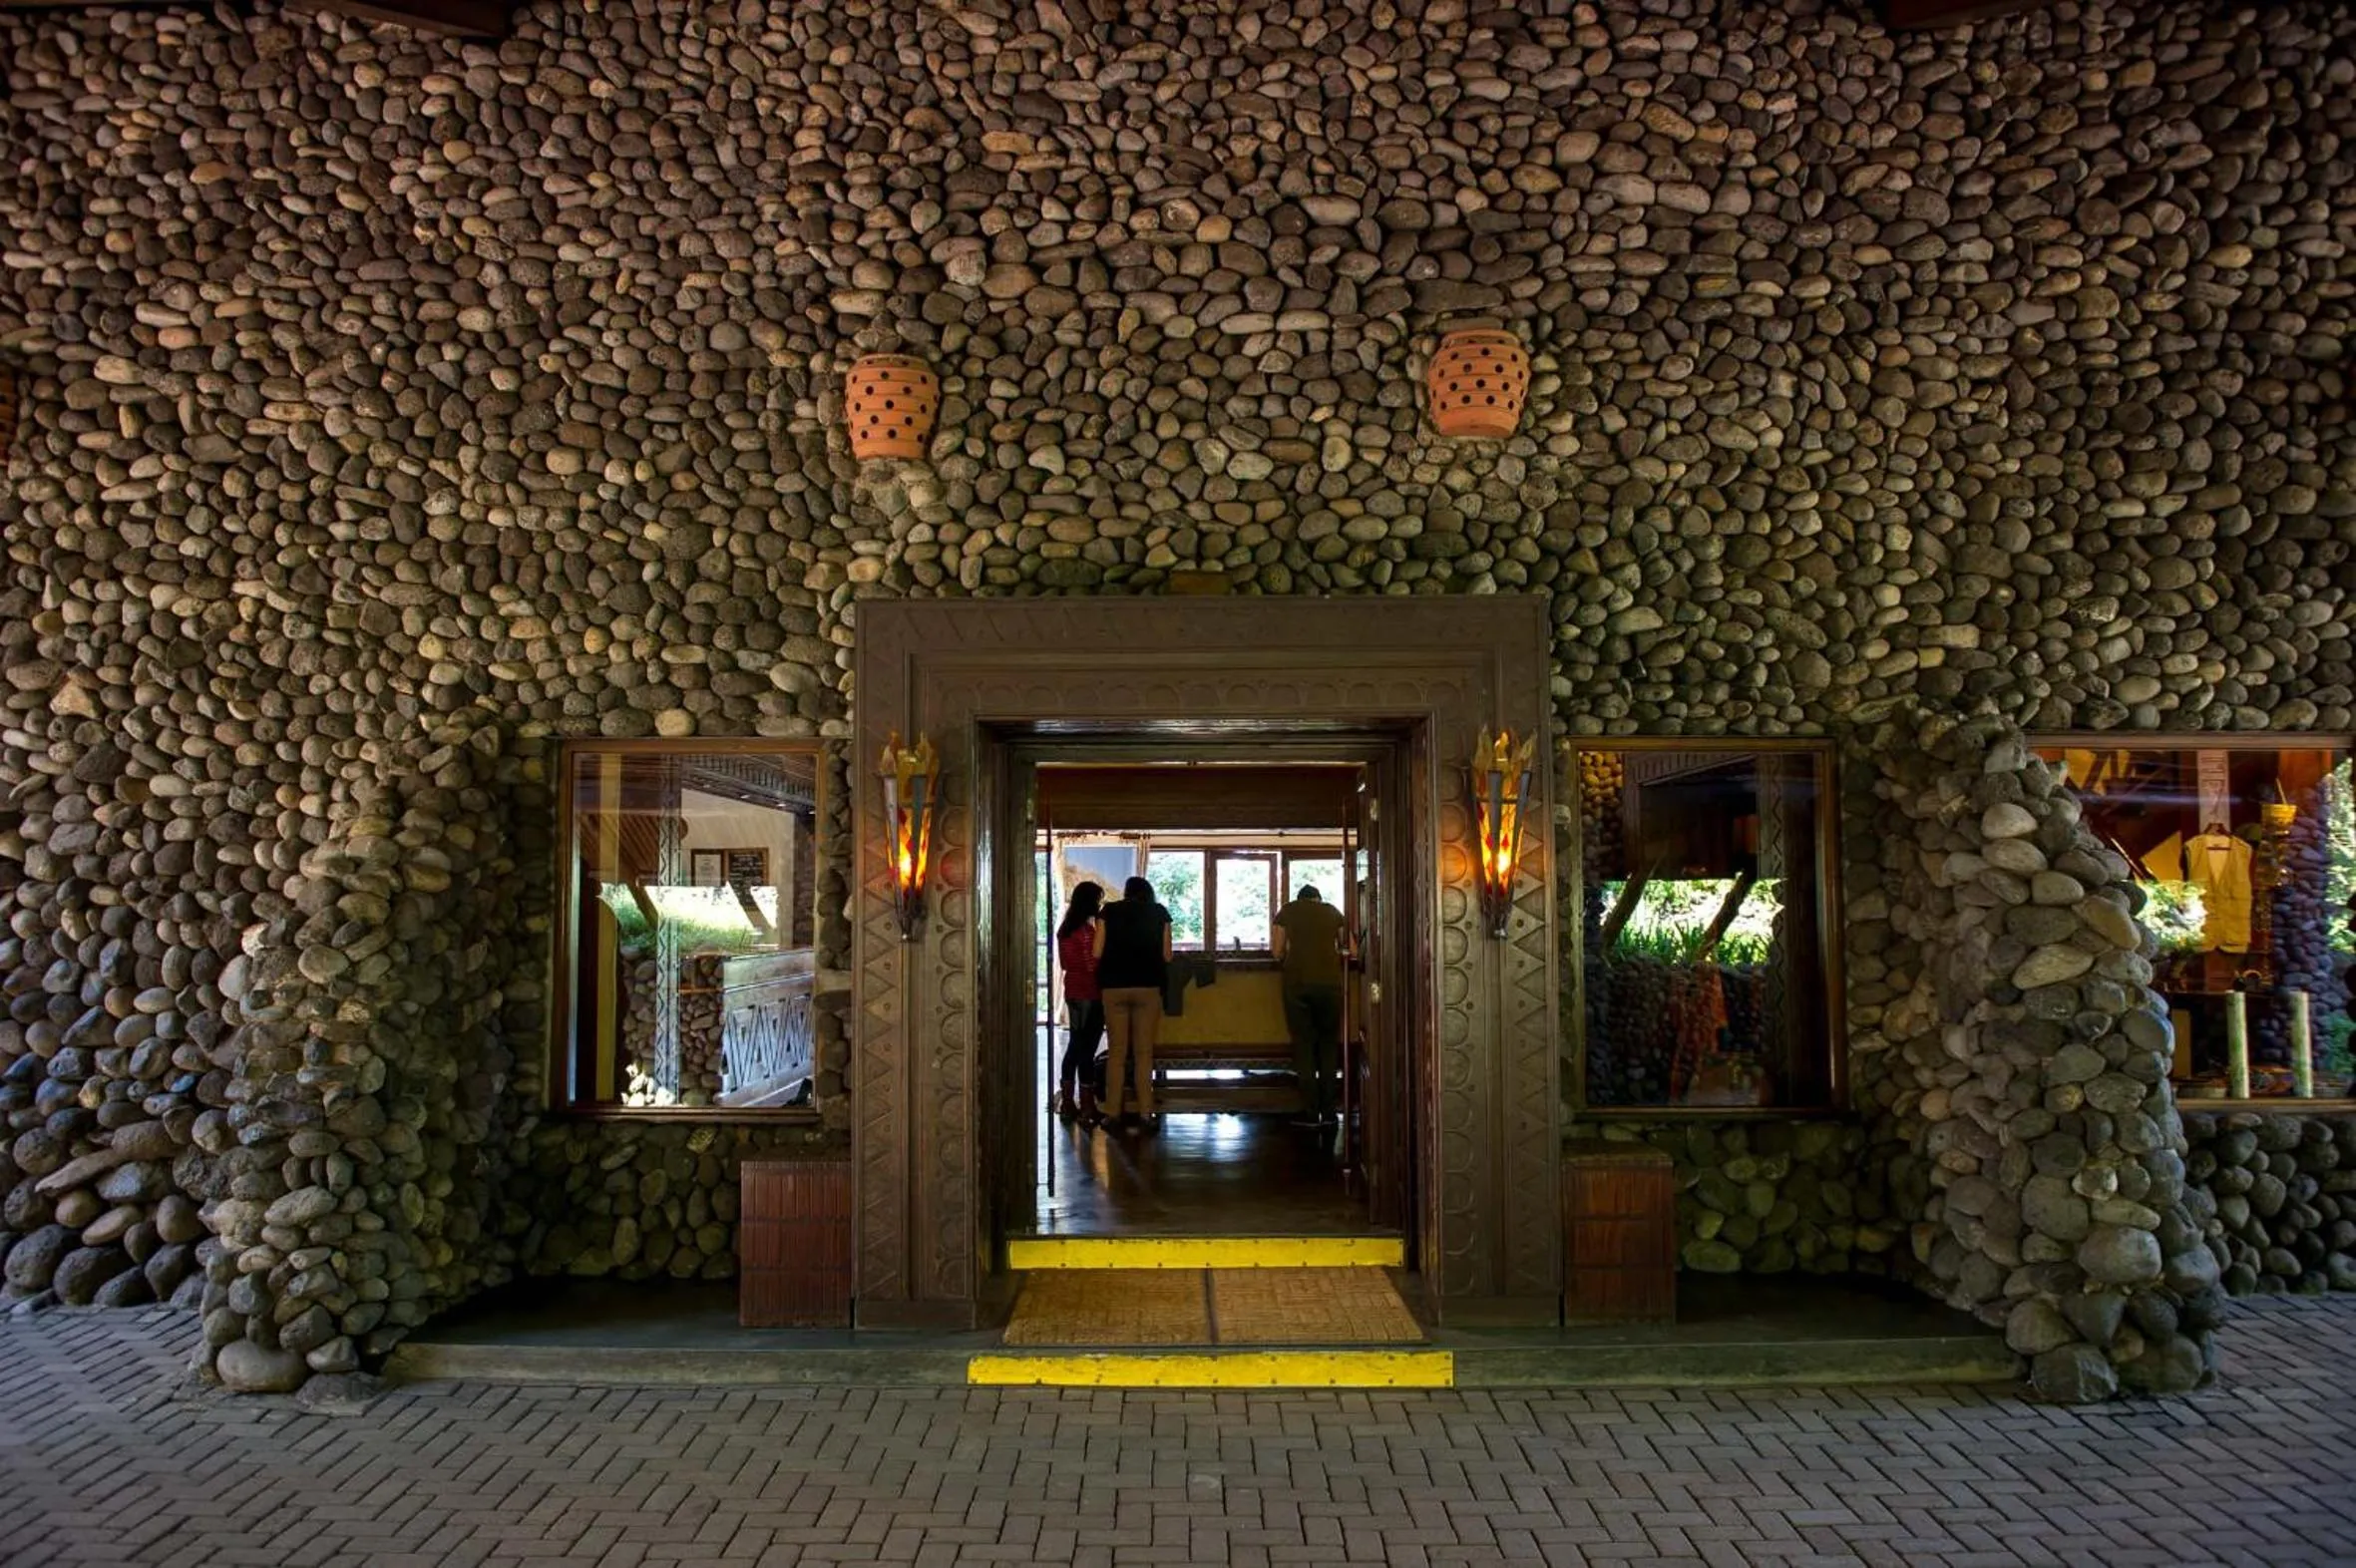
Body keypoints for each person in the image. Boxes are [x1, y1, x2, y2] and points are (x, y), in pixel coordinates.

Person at [1092, 875, 1171, 1130]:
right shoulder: (1159, 912)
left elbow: (1096, 952)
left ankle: (1112, 1114)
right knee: (1143, 1053)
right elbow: (1167, 955)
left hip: (1114, 988)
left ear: (1126, 892)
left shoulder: (1108, 911)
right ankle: (1146, 1114)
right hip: (1148, 987)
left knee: (1116, 1053)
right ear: (1147, 892)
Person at [1272, 883, 1349, 1127]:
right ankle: (1329, 1113)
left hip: (1297, 984)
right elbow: (1350, 948)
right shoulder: (1333, 911)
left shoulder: (1287, 911)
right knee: (1327, 1045)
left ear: (1300, 899)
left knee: (1303, 1046)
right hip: (1330, 985)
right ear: (1319, 898)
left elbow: (1276, 951)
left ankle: (1310, 1113)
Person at [1052, 881, 1106, 1125]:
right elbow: (1092, 964)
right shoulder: (1086, 932)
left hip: (1072, 991)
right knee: (1086, 1049)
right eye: (1097, 899)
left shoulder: (1065, 929)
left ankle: (1068, 1102)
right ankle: (1087, 1107)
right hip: (1090, 992)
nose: (1099, 904)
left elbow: (1066, 964)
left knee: (1075, 1047)